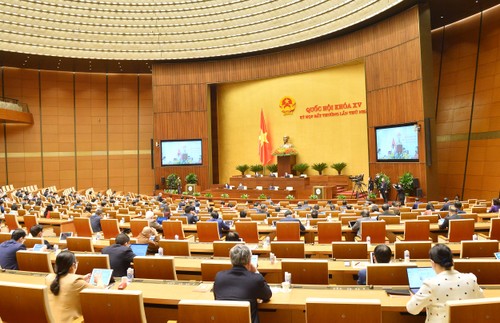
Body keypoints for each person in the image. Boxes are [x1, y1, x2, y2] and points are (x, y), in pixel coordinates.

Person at [406, 244, 483, 322]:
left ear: (432, 263)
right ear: (452, 261)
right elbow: (481, 302)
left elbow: (412, 309)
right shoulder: (471, 279)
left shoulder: (430, 284)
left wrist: (414, 297)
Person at [214, 244, 272, 323]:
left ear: (230, 259)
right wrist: (256, 272)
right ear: (249, 260)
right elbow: (267, 295)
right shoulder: (255, 279)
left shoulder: (219, 276)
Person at [45, 251, 104, 323]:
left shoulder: (49, 278)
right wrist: (99, 280)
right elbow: (100, 292)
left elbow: (64, 280)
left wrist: (82, 278)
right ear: (73, 265)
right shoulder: (75, 282)